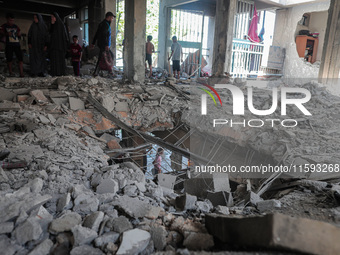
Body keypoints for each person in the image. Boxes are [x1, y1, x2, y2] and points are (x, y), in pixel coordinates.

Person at [91, 11, 115, 77]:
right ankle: (98, 72)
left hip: (101, 43)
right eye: (112, 18)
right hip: (103, 44)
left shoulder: (102, 23)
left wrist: (93, 43)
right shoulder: (105, 25)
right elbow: (104, 35)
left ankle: (106, 71)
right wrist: (106, 45)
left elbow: (96, 34)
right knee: (109, 56)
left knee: (104, 57)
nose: (112, 19)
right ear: (109, 17)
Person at [49, 12, 69, 76]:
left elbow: (64, 36)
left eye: (52, 17)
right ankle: (55, 73)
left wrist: (65, 46)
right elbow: (50, 33)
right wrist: (52, 25)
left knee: (60, 60)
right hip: (54, 46)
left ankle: (60, 73)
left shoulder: (61, 25)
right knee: (54, 60)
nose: (51, 18)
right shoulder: (53, 25)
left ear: (55, 18)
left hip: (60, 46)